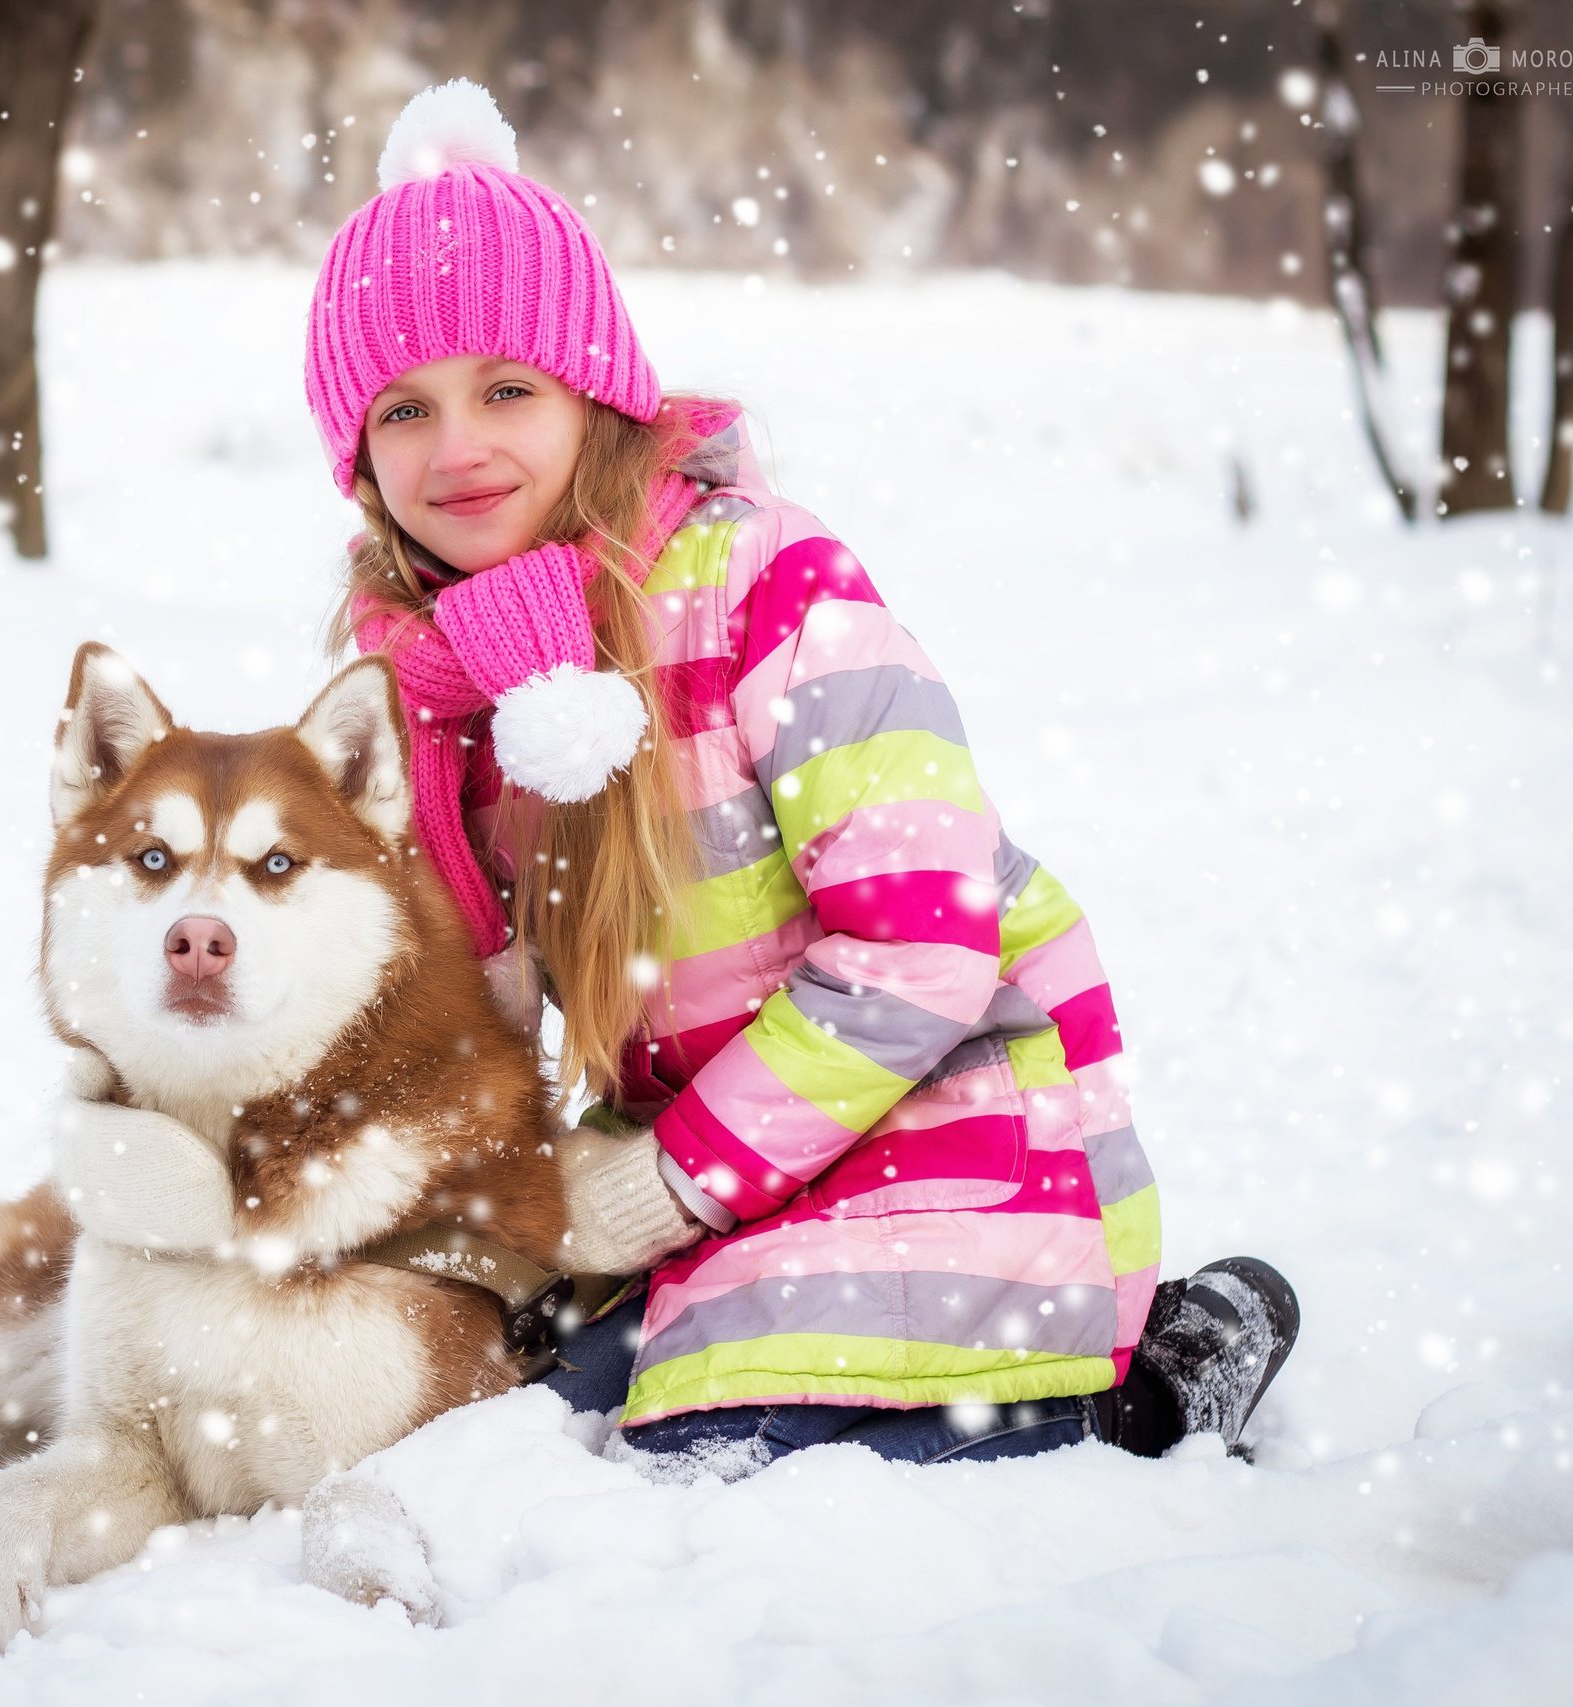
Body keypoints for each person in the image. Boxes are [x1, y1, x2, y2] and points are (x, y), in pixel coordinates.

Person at [86, 81, 1299, 1474]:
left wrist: (674, 1180)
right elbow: (434, 1003)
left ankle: (1154, 1389)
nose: (458, 448)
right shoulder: (430, 697)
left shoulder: (762, 583)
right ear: (357, 461)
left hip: (951, 1116)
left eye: (506, 389)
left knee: (722, 1454)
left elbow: (925, 942)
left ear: (593, 395)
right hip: (710, 1163)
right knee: (521, 1420)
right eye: (403, 412)